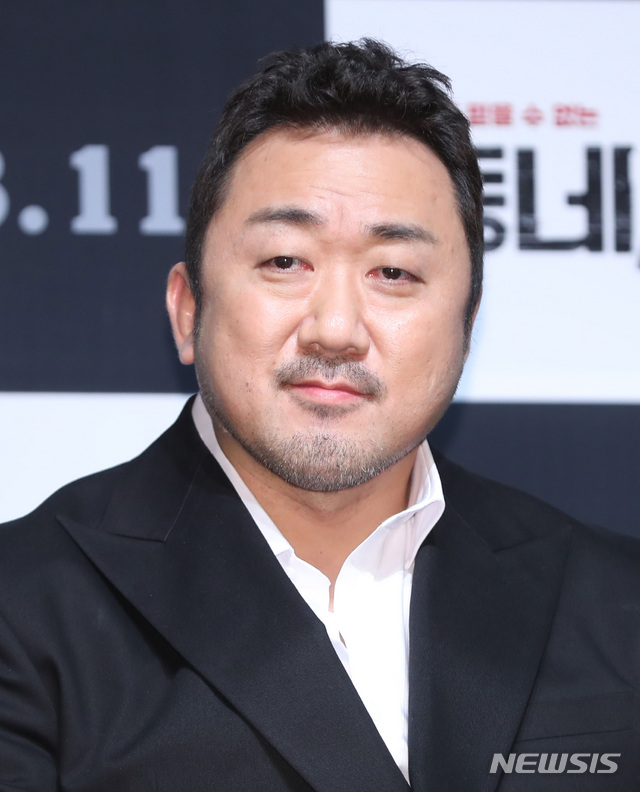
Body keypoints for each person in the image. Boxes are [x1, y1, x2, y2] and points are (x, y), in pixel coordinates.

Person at [0, 39, 639, 792]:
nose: (335, 328)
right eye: (284, 262)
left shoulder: (614, 600)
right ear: (188, 308)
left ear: (467, 325)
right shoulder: (25, 606)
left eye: (393, 272)